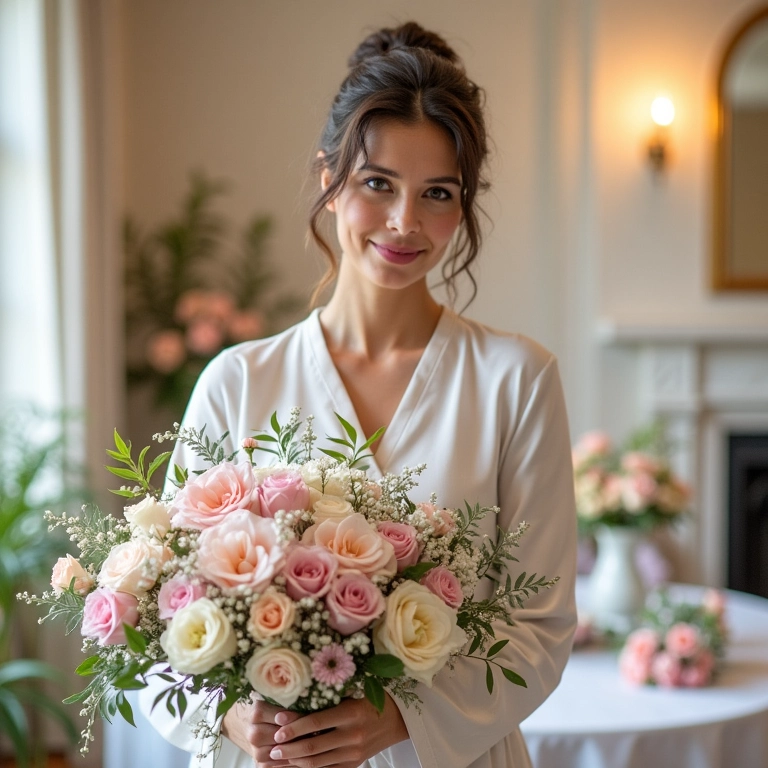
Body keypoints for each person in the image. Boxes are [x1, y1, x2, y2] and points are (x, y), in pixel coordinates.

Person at [140, 21, 577, 768]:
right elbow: (162, 609)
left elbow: (539, 625)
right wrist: (234, 715)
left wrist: (403, 718)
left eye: (437, 193)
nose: (405, 222)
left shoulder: (517, 380)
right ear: (329, 180)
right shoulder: (239, 381)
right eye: (378, 184)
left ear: (464, 205)